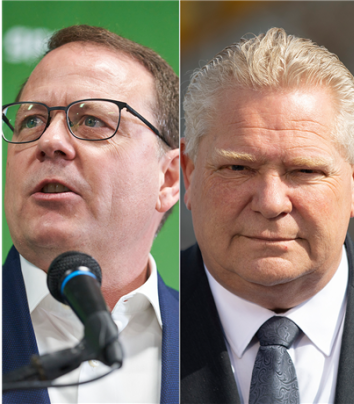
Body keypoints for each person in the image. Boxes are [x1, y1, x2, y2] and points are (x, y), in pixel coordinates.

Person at [179, 28, 354, 404]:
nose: (271, 202)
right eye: (238, 169)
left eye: (305, 171)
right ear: (189, 173)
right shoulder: (129, 332)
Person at [0, 25, 180, 403]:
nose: (49, 141)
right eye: (31, 120)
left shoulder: (221, 338)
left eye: (91, 121)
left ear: (167, 179)